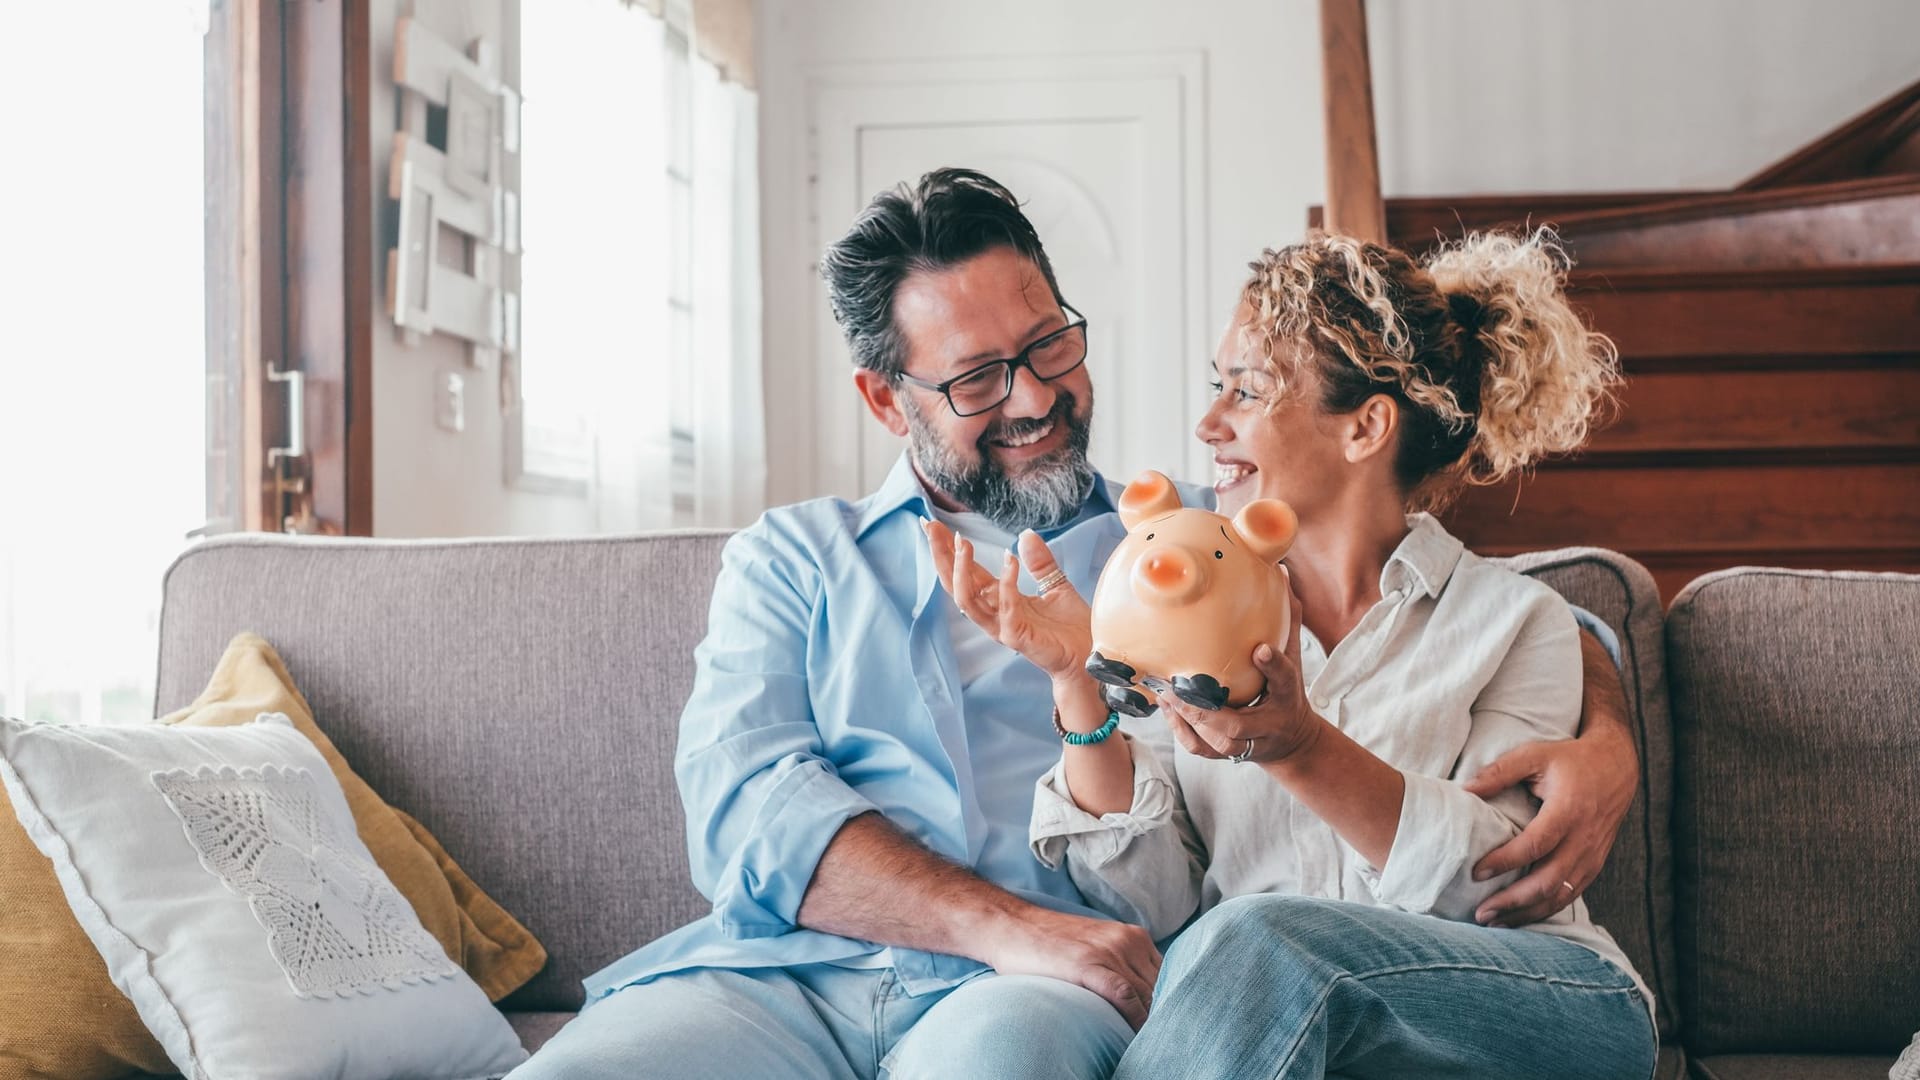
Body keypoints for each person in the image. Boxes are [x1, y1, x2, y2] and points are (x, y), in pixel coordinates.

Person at [509, 171, 1641, 1080]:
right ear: (882, 397)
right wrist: (1009, 908)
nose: (1038, 396)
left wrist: (1606, 719)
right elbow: (748, 813)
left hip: (1033, 1003)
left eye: (1050, 343)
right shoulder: (793, 559)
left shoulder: (1194, 549)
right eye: (979, 378)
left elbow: (1454, 587)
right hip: (782, 981)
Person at [929, 228, 1657, 1079]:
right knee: (1239, 946)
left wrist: (1299, 748)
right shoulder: (1188, 608)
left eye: (1248, 389)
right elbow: (1153, 899)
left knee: (1255, 939)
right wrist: (1075, 682)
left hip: (1537, 1004)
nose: (1208, 422)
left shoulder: (1514, 621)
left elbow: (1496, 883)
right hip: (1295, 1025)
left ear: (1365, 428)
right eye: (1217, 386)